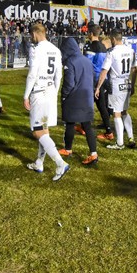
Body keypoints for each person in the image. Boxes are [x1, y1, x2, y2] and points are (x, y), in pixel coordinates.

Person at [23, 22, 69, 182]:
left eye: (31, 35)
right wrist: (54, 92)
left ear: (35, 33)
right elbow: (59, 74)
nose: (31, 38)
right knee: (44, 129)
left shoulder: (36, 49)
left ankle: (60, 163)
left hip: (39, 93)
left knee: (37, 131)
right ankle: (39, 162)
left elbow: (32, 74)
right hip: (50, 91)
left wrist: (25, 95)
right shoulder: (56, 50)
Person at [59, 36, 99, 165]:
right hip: (87, 96)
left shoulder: (70, 62)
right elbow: (93, 77)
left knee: (70, 123)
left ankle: (68, 149)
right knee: (87, 125)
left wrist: (64, 95)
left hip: (74, 97)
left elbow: (69, 83)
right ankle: (93, 153)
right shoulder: (87, 60)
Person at [95, 30, 137, 150]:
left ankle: (119, 143)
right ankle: (131, 137)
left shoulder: (112, 52)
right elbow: (134, 70)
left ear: (113, 39)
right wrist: (133, 85)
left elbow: (104, 71)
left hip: (116, 84)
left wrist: (98, 87)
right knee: (125, 111)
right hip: (127, 82)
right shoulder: (130, 50)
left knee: (116, 113)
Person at [83, 25, 113, 140]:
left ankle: (85, 127)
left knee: (87, 104)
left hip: (93, 80)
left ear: (91, 33)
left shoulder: (91, 47)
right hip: (102, 79)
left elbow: (87, 64)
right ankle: (108, 130)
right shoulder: (103, 46)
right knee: (101, 107)